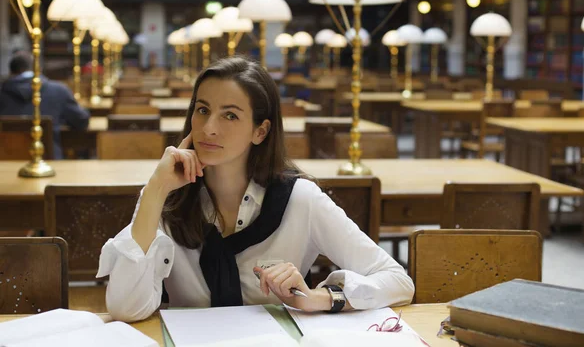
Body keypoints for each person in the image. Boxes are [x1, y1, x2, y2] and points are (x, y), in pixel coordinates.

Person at [97, 57, 414, 322]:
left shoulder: (299, 199)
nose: (209, 128)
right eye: (203, 110)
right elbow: (126, 309)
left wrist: (318, 297)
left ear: (260, 131)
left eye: (230, 115)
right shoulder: (170, 198)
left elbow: (398, 281)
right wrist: (154, 190)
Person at [0, 51, 90, 159]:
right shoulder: (58, 90)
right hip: (48, 166)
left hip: (5, 165)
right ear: (39, 69)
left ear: (11, 72)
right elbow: (81, 121)